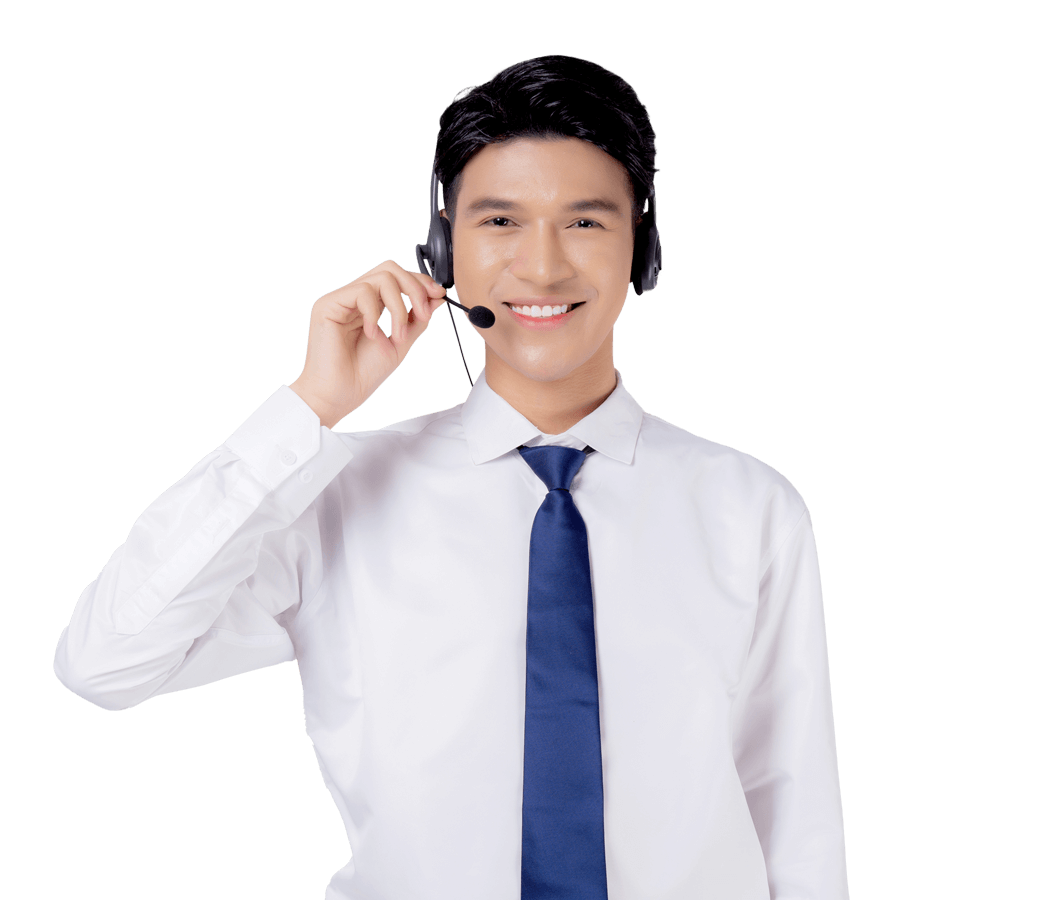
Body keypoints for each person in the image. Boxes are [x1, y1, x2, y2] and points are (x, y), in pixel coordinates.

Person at [54, 55, 848, 899]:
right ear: (442, 243)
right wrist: (310, 407)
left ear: (641, 241)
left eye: (584, 223)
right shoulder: (337, 493)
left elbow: (791, 811)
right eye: (500, 223)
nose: (541, 270)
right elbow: (106, 664)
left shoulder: (750, 506)